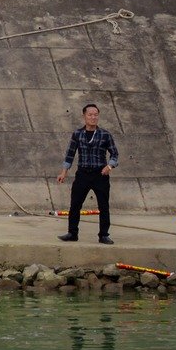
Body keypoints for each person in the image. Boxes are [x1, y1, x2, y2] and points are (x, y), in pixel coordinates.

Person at [57, 102, 118, 245]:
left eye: (96, 115)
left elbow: (114, 154)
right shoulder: (77, 134)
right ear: (84, 116)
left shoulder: (105, 134)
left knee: (104, 206)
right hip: (83, 174)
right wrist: (63, 172)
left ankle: (103, 235)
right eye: (90, 115)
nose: (93, 117)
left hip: (100, 174)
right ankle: (72, 233)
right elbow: (70, 154)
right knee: (75, 204)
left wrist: (109, 166)